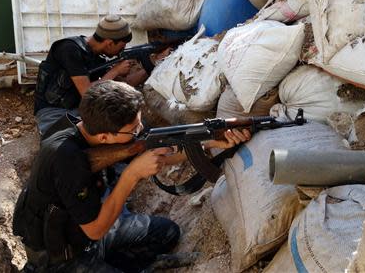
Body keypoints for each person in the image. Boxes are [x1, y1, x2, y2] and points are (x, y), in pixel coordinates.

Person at [13, 80, 251, 272]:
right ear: (106, 137)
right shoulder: (66, 159)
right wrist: (132, 175)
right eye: (134, 130)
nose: (140, 131)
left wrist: (209, 141)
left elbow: (158, 151)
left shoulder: (87, 127)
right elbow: (95, 230)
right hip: (61, 255)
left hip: (88, 234)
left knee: (167, 233)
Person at [33, 14, 157, 136]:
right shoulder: (69, 49)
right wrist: (115, 71)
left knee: (133, 129)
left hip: (81, 111)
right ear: (109, 43)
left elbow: (127, 84)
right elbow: (86, 91)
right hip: (53, 112)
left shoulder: (98, 58)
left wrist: (152, 64)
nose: (121, 51)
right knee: (70, 140)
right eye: (121, 47)